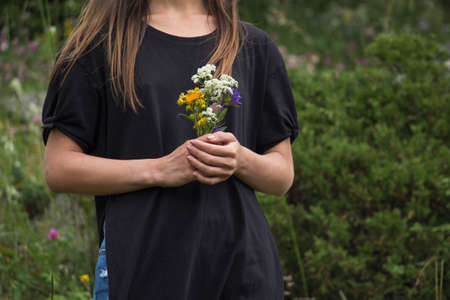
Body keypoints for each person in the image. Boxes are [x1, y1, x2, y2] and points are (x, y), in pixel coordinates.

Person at [41, 0, 299, 299]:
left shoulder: (253, 45)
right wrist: (159, 170)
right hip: (139, 266)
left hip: (241, 270)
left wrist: (240, 159)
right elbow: (58, 169)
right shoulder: (100, 44)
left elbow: (281, 177)